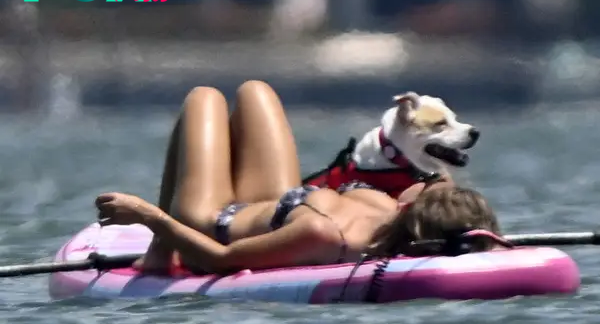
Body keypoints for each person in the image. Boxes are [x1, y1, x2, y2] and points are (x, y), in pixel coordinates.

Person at [95, 81, 505, 274]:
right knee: (256, 91)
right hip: (279, 200)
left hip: (214, 223)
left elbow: (219, 260)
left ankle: (159, 253)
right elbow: (440, 190)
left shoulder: (327, 236)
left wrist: (150, 216)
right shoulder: (410, 198)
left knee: (204, 99)